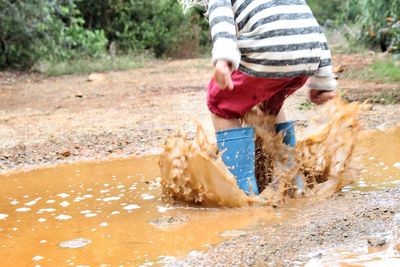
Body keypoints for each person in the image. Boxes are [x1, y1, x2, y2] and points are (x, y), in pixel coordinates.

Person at [183, 0, 337, 195]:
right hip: (307, 54)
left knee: (221, 103)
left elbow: (221, 15)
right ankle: (292, 181)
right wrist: (324, 79)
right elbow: (310, 26)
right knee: (268, 103)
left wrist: (224, 58)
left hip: (270, 49)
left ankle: (243, 191)